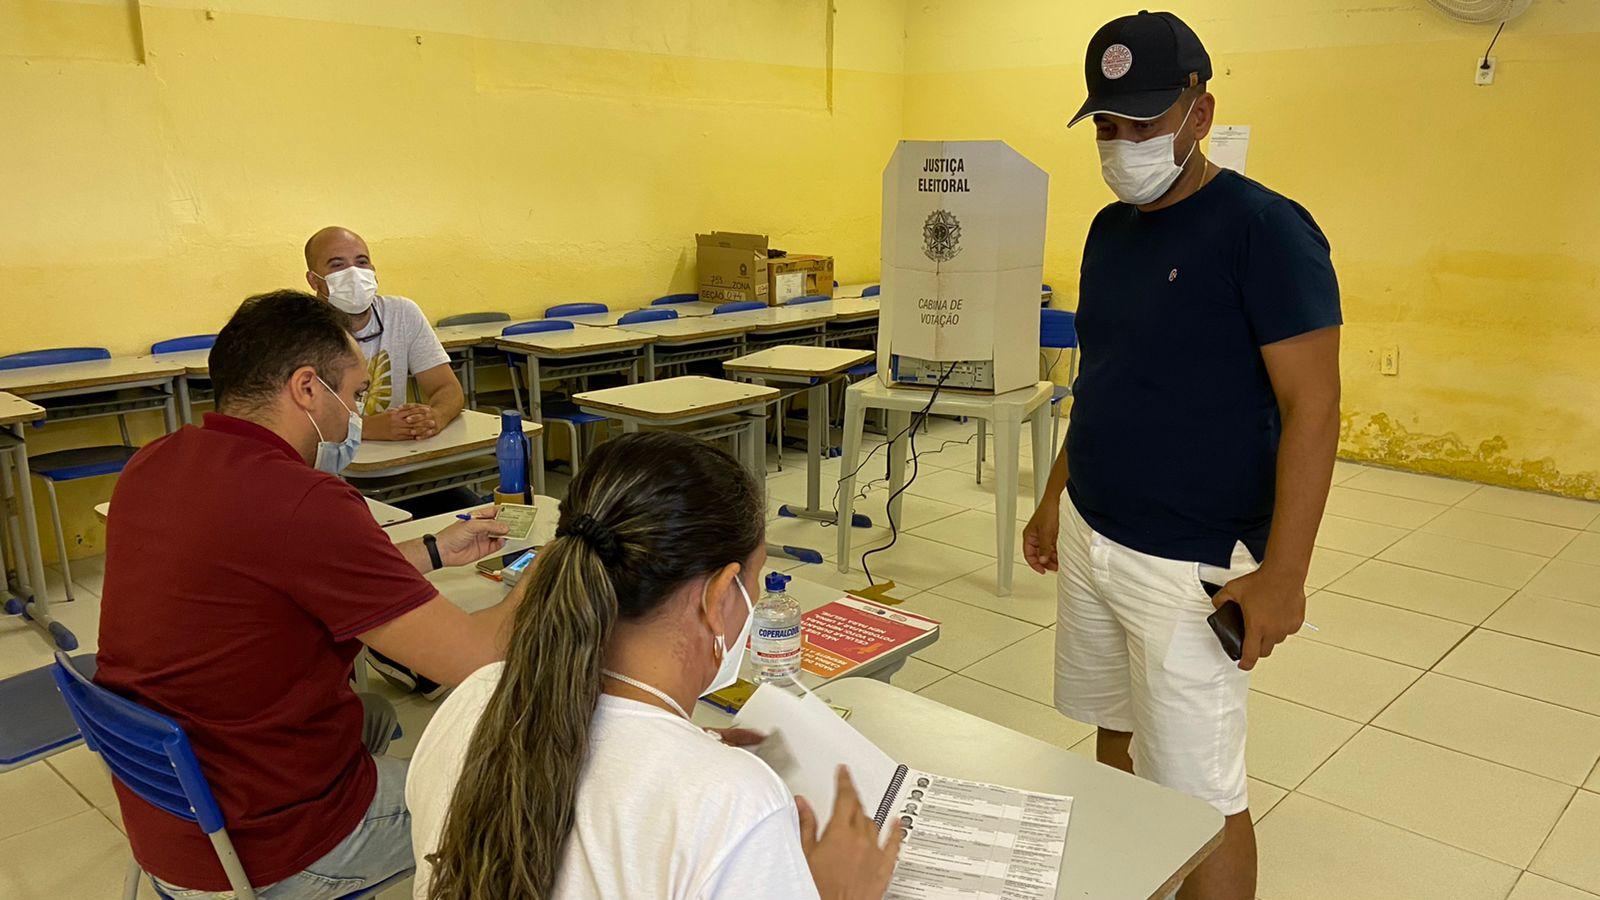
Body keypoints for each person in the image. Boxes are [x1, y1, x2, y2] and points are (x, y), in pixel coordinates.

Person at [1022, 11, 1341, 900]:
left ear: (1200, 111)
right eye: (1109, 127)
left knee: (1203, 798)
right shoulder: (1108, 232)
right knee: (1114, 734)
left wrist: (1284, 576)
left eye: (1145, 123)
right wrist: (1057, 496)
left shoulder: (1266, 230)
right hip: (1095, 532)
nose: (1123, 145)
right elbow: (1104, 378)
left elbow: (1313, 406)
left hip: (1194, 559)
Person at [95, 290, 519, 899]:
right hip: (263, 850)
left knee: (374, 714)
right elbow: (479, 658)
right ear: (306, 388)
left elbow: (275, 578)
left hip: (171, 813)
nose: (352, 418)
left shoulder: (156, 462)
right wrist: (546, 577)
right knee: (518, 796)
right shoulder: (304, 502)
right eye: (351, 396)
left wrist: (430, 551)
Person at [406, 432, 904, 899]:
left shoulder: (475, 698)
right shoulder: (733, 801)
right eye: (756, 578)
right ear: (718, 595)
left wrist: (682, 753)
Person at [303, 225, 463, 443]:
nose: (354, 273)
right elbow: (293, 421)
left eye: (362, 262)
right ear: (314, 280)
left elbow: (447, 388)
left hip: (394, 453)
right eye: (337, 265)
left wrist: (435, 417)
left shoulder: (402, 313)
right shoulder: (297, 329)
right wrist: (365, 428)